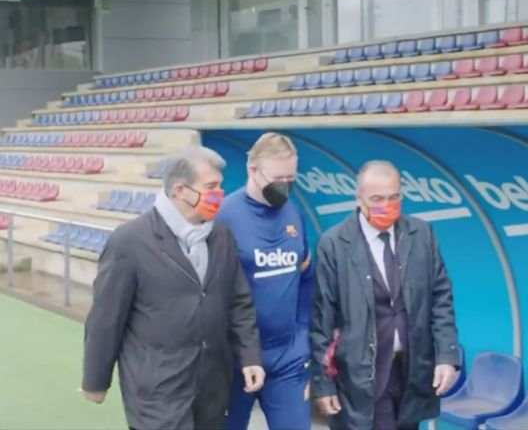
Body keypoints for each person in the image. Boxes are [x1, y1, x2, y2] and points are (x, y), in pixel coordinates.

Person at [81, 146, 266, 430]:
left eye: (220, 186)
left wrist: (250, 356)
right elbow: (107, 317)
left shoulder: (222, 236)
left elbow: (238, 302)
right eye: (211, 187)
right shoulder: (130, 241)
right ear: (180, 190)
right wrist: (95, 380)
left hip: (211, 391)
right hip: (157, 391)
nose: (219, 194)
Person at [310, 160, 460, 430]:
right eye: (377, 199)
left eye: (394, 197)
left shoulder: (421, 234)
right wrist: (324, 383)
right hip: (360, 376)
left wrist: (446, 357)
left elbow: (441, 298)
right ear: (359, 198)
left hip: (411, 374)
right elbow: (322, 320)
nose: (387, 205)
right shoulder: (334, 244)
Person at [216, 133, 314, 430]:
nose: (284, 185)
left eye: (290, 178)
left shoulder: (293, 213)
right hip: (234, 359)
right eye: (277, 178)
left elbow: (306, 278)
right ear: (253, 170)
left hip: (287, 358)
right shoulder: (224, 217)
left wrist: (302, 334)